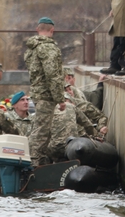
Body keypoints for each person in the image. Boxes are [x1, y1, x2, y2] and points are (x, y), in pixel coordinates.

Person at [25, 16, 66, 166]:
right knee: (42, 131)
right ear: (52, 30)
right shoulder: (47, 48)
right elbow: (52, 75)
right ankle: (33, 163)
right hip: (46, 95)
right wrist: (60, 99)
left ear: (37, 29)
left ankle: (37, 159)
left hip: (37, 93)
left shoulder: (32, 47)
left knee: (41, 127)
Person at [47, 93, 96, 163]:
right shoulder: (72, 107)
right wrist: (96, 135)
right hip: (72, 146)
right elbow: (87, 125)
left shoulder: (48, 111)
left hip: (55, 148)